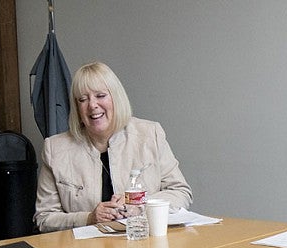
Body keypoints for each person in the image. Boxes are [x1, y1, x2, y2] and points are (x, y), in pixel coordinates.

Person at [33, 61, 192, 232]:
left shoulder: (150, 134)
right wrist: (88, 218)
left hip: (143, 244)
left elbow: (180, 192)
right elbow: (44, 218)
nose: (92, 105)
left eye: (100, 96)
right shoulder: (55, 149)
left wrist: (140, 206)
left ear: (116, 98)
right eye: (83, 99)